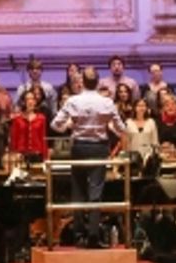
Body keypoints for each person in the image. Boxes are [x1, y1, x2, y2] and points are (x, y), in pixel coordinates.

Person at [51, 66, 126, 247]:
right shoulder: (106, 102)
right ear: (98, 82)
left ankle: (78, 235)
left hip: (79, 146)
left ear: (82, 82)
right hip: (99, 147)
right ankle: (93, 235)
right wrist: (107, 126)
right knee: (95, 191)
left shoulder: (73, 101)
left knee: (78, 190)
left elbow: (55, 125)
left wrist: (70, 126)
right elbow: (122, 129)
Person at [10, 90, 49, 161]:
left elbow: (43, 138)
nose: (30, 101)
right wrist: (13, 154)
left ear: (35, 102)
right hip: (20, 155)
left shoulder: (41, 118)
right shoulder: (17, 119)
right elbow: (14, 139)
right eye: (27, 99)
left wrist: (45, 157)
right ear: (24, 102)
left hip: (37, 153)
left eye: (32, 99)